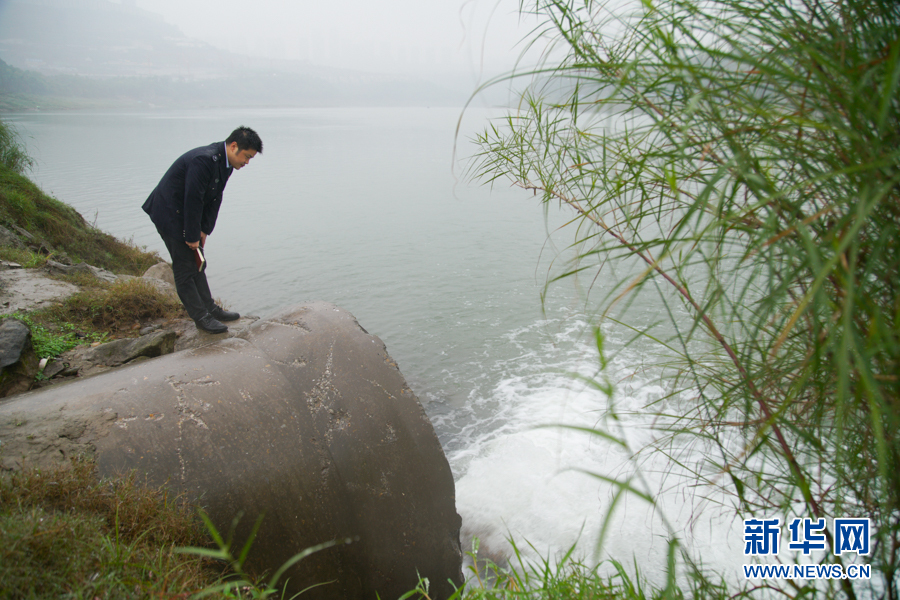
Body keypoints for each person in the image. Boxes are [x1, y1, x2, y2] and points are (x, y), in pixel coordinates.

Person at [143, 126, 263, 334]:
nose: (247, 162)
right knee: (184, 268)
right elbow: (193, 198)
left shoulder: (226, 163)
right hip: (169, 212)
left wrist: (204, 230)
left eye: (251, 158)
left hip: (186, 213)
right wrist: (191, 235)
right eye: (247, 156)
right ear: (234, 146)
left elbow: (215, 197)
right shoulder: (204, 160)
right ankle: (201, 317)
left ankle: (211, 308)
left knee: (198, 262)